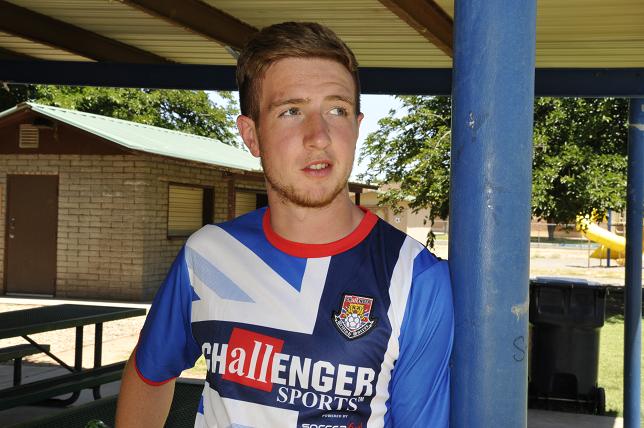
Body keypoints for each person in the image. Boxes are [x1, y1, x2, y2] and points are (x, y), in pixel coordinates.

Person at [115, 21, 453, 428]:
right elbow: (150, 373)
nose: (319, 136)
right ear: (252, 135)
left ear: (357, 128)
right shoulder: (207, 255)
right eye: (291, 111)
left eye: (337, 109)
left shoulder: (417, 278)